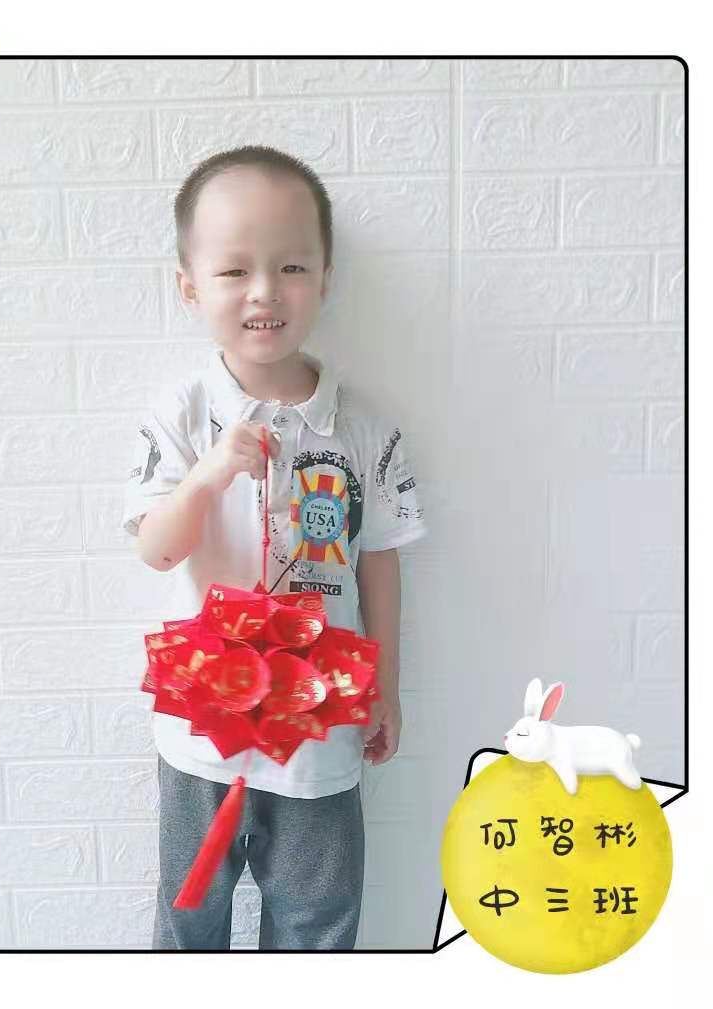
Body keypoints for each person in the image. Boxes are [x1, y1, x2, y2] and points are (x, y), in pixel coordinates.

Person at [121, 144, 427, 950]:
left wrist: (386, 685)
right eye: (233, 270)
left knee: (318, 921)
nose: (264, 290)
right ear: (190, 286)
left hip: (320, 728)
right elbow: (157, 549)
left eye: (292, 266)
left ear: (325, 279)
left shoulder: (363, 430)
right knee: (190, 916)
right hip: (202, 735)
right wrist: (210, 471)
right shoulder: (182, 414)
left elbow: (381, 558)